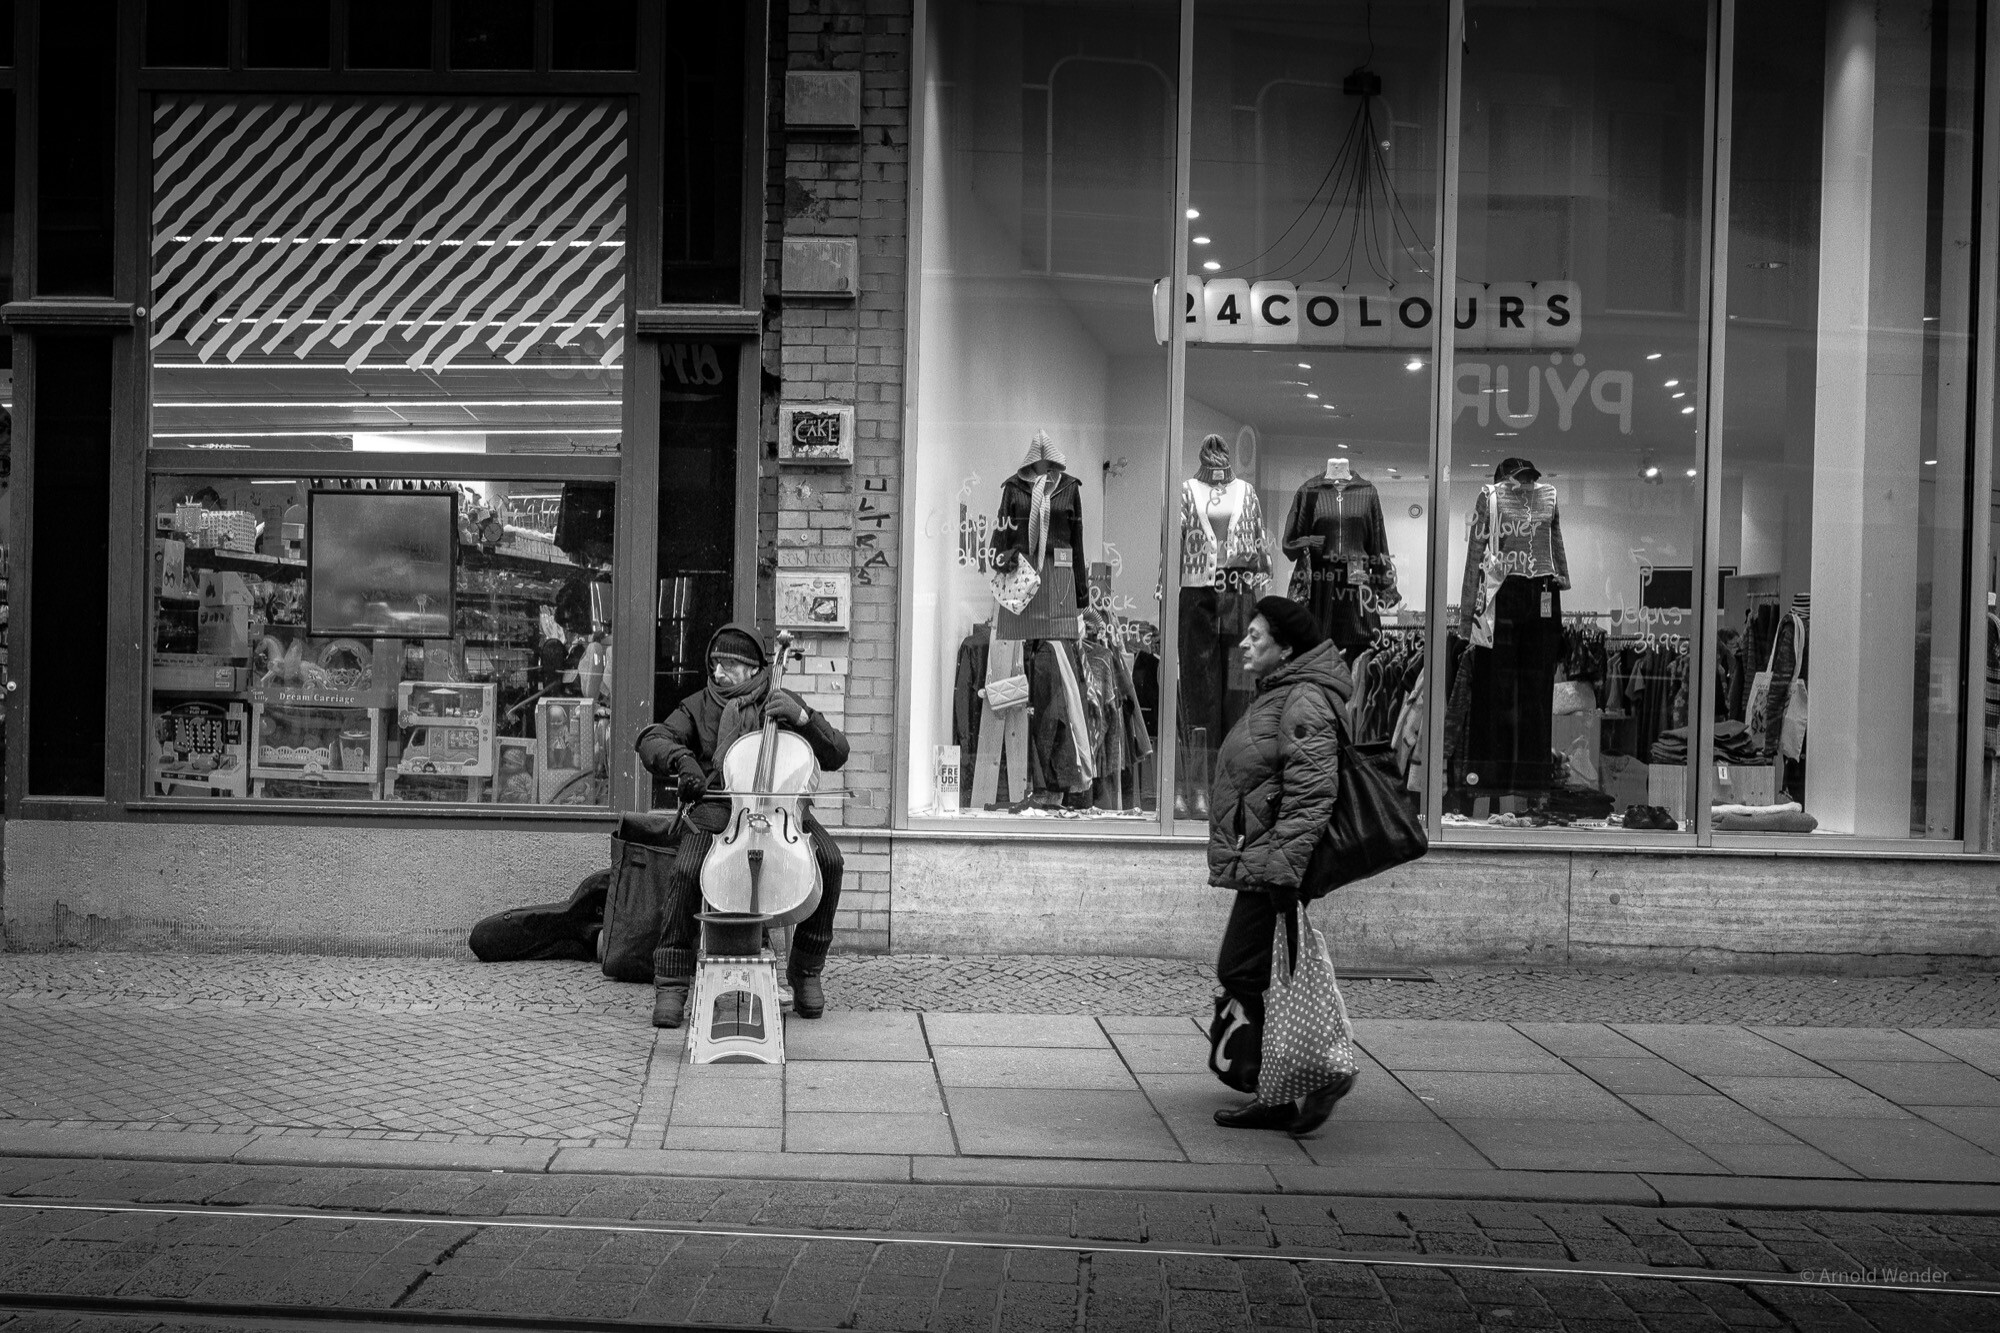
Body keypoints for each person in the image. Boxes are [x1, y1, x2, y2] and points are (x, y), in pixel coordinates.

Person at [634, 624, 848, 1028]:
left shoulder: (780, 700)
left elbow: (837, 752)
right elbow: (652, 738)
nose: (717, 674)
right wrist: (684, 762)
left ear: (752, 669)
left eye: (728, 665)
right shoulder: (697, 706)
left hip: (782, 808)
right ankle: (672, 982)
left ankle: (805, 970)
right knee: (686, 869)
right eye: (714, 664)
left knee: (831, 862)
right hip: (721, 808)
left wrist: (804, 719)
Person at [1208, 595, 1360, 1135]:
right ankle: (1277, 1086)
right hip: (1266, 859)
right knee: (1267, 974)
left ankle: (1303, 1083)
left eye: (1256, 635)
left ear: (1287, 648)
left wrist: (1282, 870)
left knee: (1243, 971)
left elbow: (1312, 793)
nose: (1245, 643)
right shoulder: (1281, 693)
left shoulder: (1304, 700)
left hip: (1275, 864)